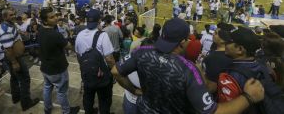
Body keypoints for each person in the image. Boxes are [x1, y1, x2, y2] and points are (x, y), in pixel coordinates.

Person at [111, 18, 265, 114]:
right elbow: (213, 111)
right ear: (184, 42)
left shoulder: (142, 51)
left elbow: (115, 71)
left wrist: (134, 90)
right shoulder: (189, 69)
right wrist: (248, 97)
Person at [38, 8, 80, 114]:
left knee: (47, 87)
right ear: (45, 21)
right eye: (52, 17)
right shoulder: (54, 34)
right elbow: (69, 46)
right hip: (57, 69)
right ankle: (66, 111)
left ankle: (47, 108)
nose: (56, 18)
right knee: (62, 92)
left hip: (45, 67)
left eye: (55, 15)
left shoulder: (41, 30)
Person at [0, 7, 39, 111]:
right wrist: (14, 62)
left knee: (14, 77)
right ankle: (26, 103)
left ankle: (16, 97)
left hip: (16, 57)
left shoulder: (11, 25)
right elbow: (8, 49)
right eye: (11, 15)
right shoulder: (5, 29)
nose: (14, 16)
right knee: (25, 79)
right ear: (4, 17)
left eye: (13, 14)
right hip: (15, 58)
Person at [75, 9, 115, 114]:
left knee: (88, 97)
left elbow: (78, 55)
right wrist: (114, 71)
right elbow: (109, 59)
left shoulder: (79, 35)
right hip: (102, 76)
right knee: (104, 100)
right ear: (99, 21)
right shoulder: (103, 35)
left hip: (87, 74)